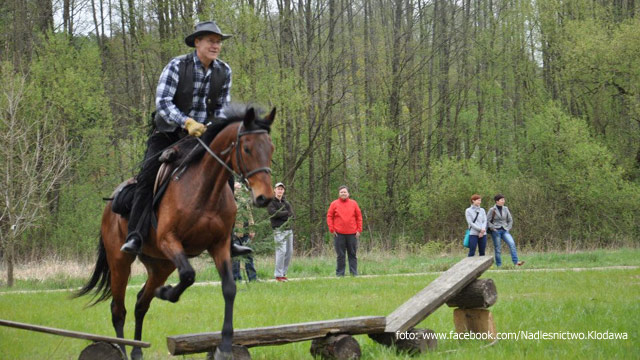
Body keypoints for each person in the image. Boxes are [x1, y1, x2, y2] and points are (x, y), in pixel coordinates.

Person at [120, 21, 249, 256]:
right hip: (169, 133)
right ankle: (136, 236)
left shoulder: (225, 70)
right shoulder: (177, 66)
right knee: (148, 174)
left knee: (225, 174)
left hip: (204, 136)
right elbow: (163, 103)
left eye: (218, 41)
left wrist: (211, 127)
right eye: (210, 40)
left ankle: (228, 240)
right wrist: (186, 122)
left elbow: (223, 107)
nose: (215, 45)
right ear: (197, 42)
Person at [326, 185, 363, 276]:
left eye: (345, 192)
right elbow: (329, 216)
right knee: (340, 255)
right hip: (339, 234)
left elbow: (359, 217)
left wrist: (359, 229)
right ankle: (340, 274)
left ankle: (354, 273)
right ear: (339, 194)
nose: (343, 193)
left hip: (352, 234)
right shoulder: (334, 204)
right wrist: (332, 229)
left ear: (348, 193)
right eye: (341, 192)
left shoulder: (354, 203)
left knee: (352, 254)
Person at [487, 194, 524, 267]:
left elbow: (510, 220)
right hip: (496, 231)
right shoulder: (492, 210)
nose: (503, 201)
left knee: (512, 244)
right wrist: (492, 228)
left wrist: (508, 228)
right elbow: (487, 221)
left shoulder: (506, 209)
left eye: (504, 199)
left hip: (504, 230)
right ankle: (499, 265)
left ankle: (516, 262)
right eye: (502, 200)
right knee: (498, 249)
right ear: (497, 201)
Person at [267, 182, 294, 282]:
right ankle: (278, 275)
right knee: (281, 251)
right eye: (278, 189)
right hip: (278, 230)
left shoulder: (286, 203)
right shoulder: (271, 202)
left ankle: (283, 273)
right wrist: (285, 213)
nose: (280, 191)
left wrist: (282, 214)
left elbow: (292, 215)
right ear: (274, 190)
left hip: (288, 230)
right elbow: (273, 214)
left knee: (289, 252)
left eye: (282, 189)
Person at [231, 182, 258, 281]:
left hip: (246, 232)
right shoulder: (230, 201)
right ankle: (236, 278)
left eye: (240, 189)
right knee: (236, 258)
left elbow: (250, 215)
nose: (238, 191)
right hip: (235, 233)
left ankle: (252, 278)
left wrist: (252, 229)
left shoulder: (244, 201)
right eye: (236, 188)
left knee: (248, 255)